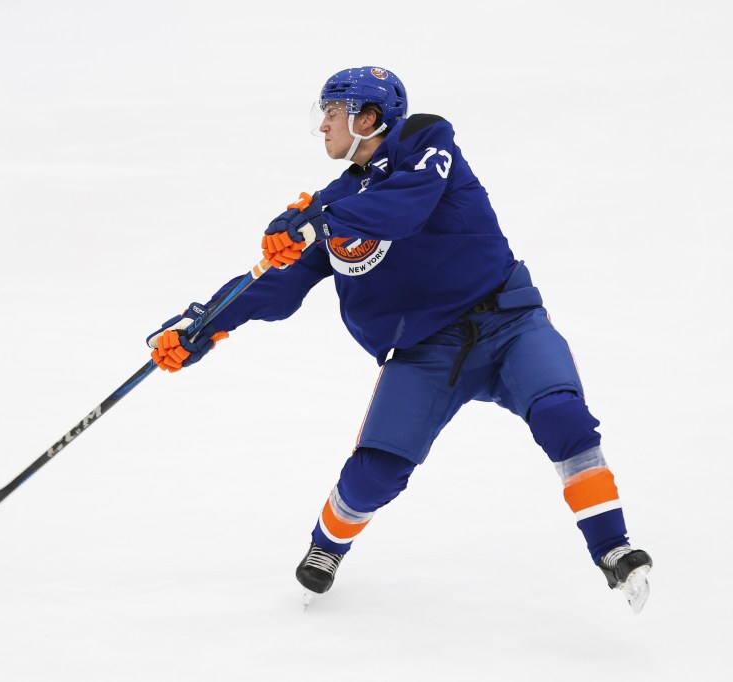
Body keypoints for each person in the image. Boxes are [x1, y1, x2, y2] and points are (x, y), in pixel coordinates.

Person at [145, 66, 653, 612]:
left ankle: (613, 549)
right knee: (372, 478)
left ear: (368, 119)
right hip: (423, 354)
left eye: (332, 114)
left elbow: (404, 209)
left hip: (508, 324)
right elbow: (276, 284)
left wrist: (322, 219)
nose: (323, 127)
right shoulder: (334, 201)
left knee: (563, 417)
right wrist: (203, 324)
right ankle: (326, 547)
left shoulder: (427, 144)